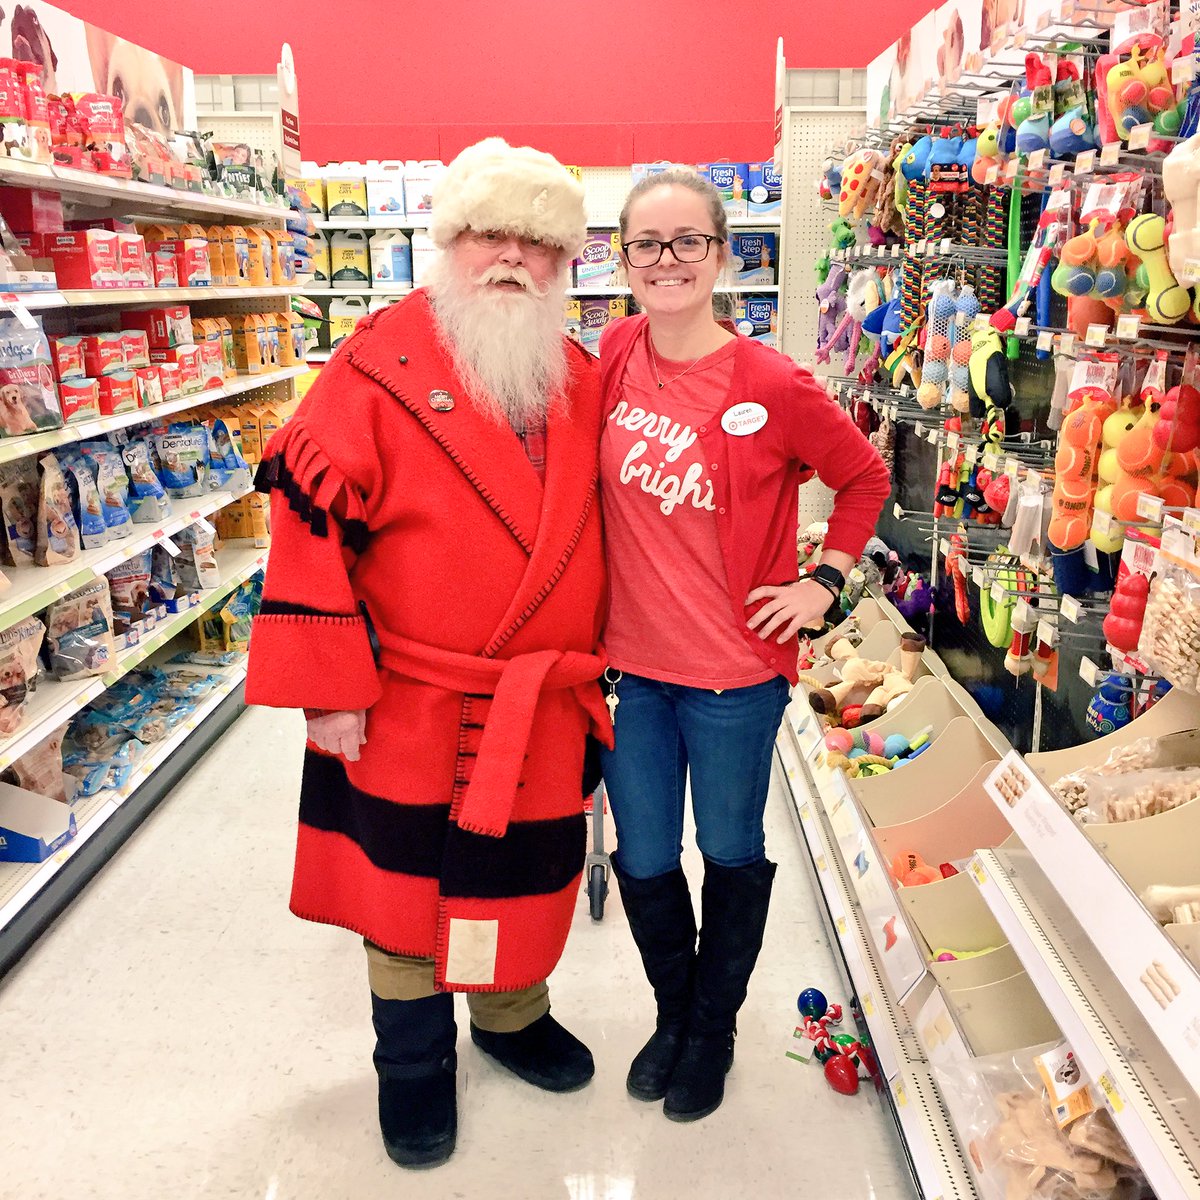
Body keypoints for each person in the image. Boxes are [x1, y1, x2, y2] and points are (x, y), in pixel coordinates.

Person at [245, 138, 612, 1169]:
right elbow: (306, 524)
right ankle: (411, 1067)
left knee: (529, 872)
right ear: (447, 241)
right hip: (403, 698)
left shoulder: (581, 375)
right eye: (490, 234)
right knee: (403, 893)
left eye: (538, 243)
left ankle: (510, 1017)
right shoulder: (370, 367)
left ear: (564, 264)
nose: (512, 260)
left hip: (538, 707)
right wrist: (327, 692)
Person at [597, 167, 891, 1123]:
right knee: (642, 856)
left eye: (689, 242)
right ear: (623, 259)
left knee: (728, 849)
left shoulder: (770, 380)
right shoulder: (613, 353)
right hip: (633, 673)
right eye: (648, 244)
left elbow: (863, 477)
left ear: (722, 254)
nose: (668, 261)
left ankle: (712, 1029)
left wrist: (824, 583)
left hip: (732, 679)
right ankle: (672, 1014)